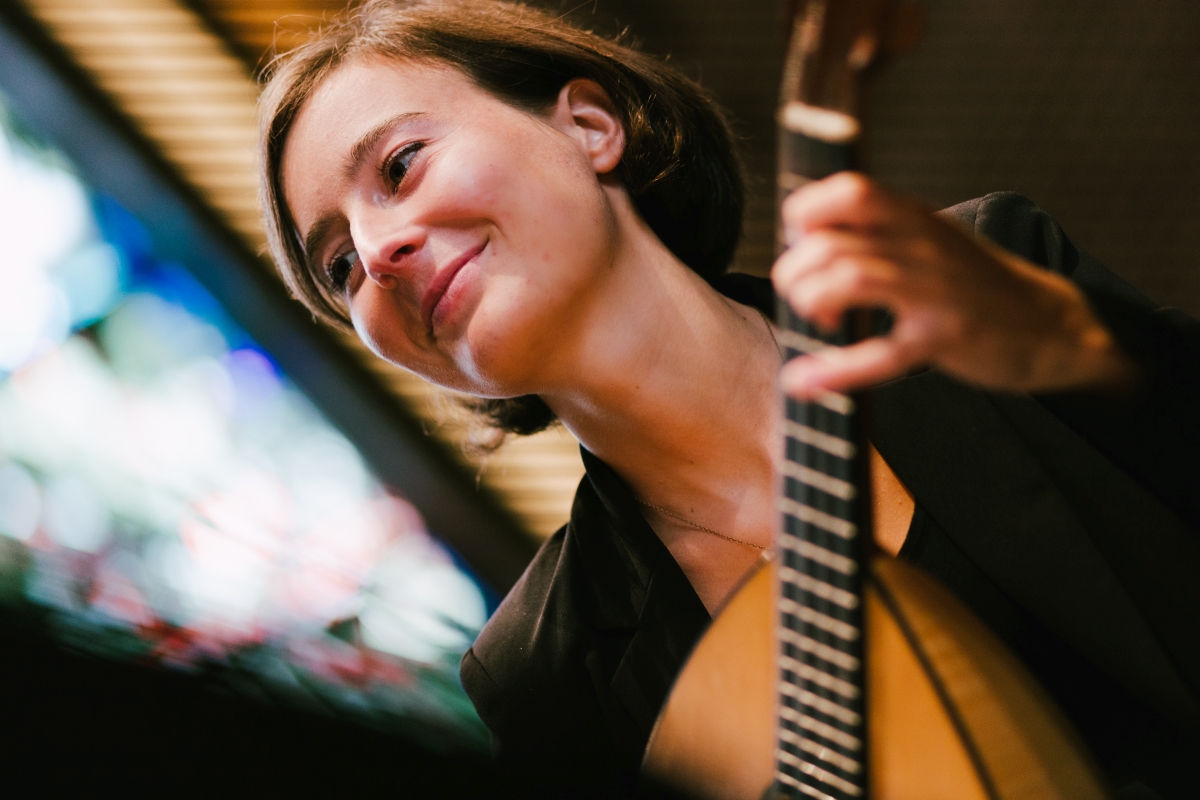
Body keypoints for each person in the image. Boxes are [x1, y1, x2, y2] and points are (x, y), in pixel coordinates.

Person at [258, 0, 1200, 795]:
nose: (378, 252)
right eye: (338, 266)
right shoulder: (546, 677)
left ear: (588, 126)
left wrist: (1072, 345)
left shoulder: (982, 270)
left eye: (400, 165)